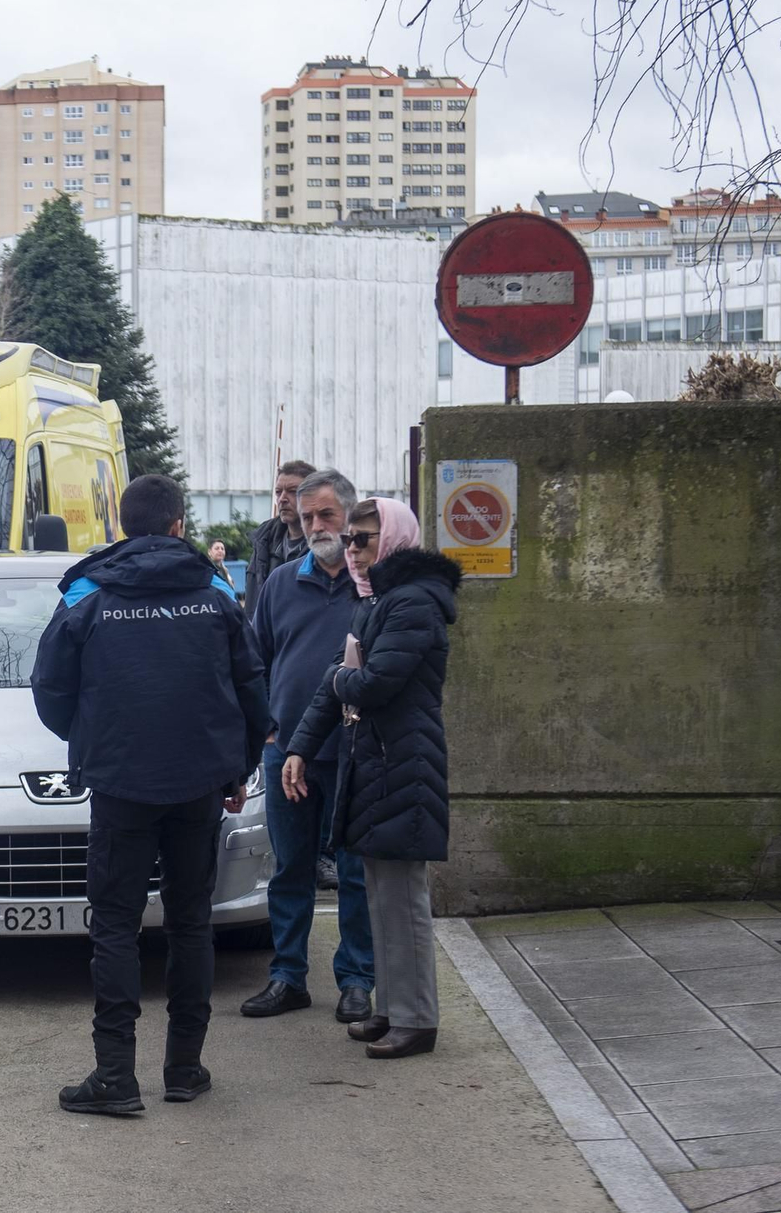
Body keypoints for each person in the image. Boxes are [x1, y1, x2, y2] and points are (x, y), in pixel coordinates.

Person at [32, 474, 269, 1116]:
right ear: (177, 526)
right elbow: (252, 685)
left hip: (119, 784)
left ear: (125, 527)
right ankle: (185, 1070)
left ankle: (115, 1077)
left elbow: (49, 684)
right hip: (198, 783)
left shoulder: (89, 590)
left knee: (114, 923)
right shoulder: (215, 590)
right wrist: (236, 768)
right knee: (192, 921)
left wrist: (93, 740)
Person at [284, 497, 460, 1059]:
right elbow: (337, 683)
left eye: (363, 539)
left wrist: (341, 680)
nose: (351, 549)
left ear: (395, 541)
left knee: (403, 897)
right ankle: (392, 1010)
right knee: (382, 893)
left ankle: (416, 1019)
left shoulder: (412, 602)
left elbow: (374, 681)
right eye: (351, 539)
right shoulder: (380, 601)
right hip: (380, 760)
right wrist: (300, 748)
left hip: (403, 761)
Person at [243, 468, 375, 1024]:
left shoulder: (373, 585)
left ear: (348, 518)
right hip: (285, 752)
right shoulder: (279, 585)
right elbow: (254, 662)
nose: (316, 526)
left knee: (354, 871)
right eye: (306, 517)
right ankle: (288, 977)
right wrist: (268, 730)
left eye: (326, 515)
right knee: (290, 868)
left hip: (352, 752)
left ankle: (357, 980)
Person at [243, 460, 315, 618]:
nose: (282, 498)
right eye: (278, 492)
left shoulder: (323, 548)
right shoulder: (263, 542)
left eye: (292, 491)